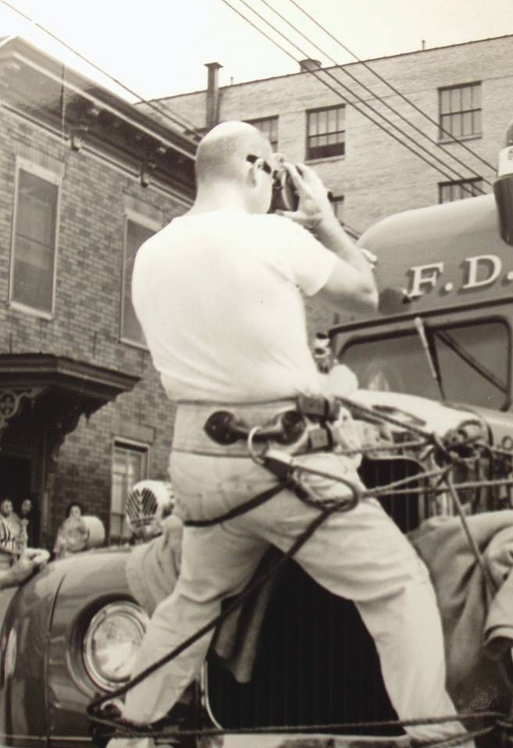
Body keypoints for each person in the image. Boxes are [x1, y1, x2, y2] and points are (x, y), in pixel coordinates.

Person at [111, 121, 469, 748]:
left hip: (195, 460)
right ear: (255, 168)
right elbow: (368, 290)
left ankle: (133, 730)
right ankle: (443, 739)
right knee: (397, 584)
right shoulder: (273, 235)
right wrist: (323, 218)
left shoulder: (151, 253)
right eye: (271, 173)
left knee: (195, 599)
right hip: (285, 457)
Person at [0, 499, 20, 570]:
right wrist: (11, 551)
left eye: (10, 506)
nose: (9, 509)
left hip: (11, 557)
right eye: (6, 506)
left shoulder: (10, 521)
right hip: (2, 559)